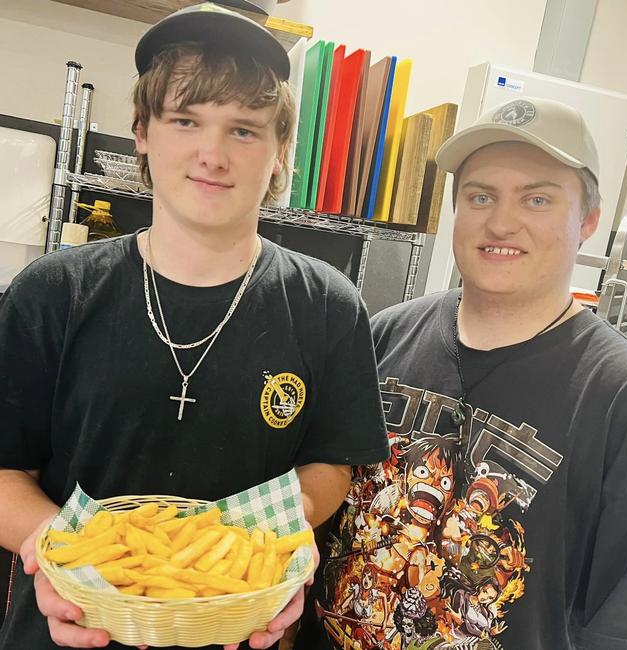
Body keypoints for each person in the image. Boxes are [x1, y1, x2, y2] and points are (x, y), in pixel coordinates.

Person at [0, 3, 389, 649]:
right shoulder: (53, 292)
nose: (212, 153)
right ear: (143, 133)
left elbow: (332, 464)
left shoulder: (329, 305)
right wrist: (61, 555)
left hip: (240, 628)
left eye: (244, 130)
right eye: (186, 120)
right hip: (68, 630)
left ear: (278, 151)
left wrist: (274, 550)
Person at [298, 97, 627, 649]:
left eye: (537, 198)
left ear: (587, 221)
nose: (501, 222)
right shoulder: (383, 336)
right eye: (480, 196)